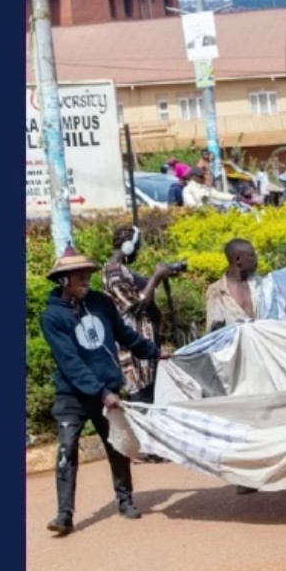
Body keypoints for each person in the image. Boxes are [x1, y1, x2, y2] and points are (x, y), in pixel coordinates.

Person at [39, 249, 159, 534]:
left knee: (116, 445)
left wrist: (153, 352)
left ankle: (125, 500)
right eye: (80, 276)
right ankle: (64, 515)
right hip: (72, 396)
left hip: (106, 389)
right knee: (67, 448)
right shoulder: (52, 316)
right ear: (64, 279)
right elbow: (70, 362)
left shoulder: (102, 303)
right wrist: (101, 392)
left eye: (88, 274)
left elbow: (125, 335)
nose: (86, 279)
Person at [100, 226, 173, 403]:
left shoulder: (120, 270)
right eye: (137, 247)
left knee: (151, 394)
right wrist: (155, 278)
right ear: (127, 247)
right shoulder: (114, 273)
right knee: (142, 397)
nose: (138, 252)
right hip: (135, 349)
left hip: (144, 345)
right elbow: (137, 305)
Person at [204, 238, 273, 330]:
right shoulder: (217, 291)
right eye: (252, 256)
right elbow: (215, 331)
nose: (256, 259)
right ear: (238, 260)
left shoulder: (262, 284)